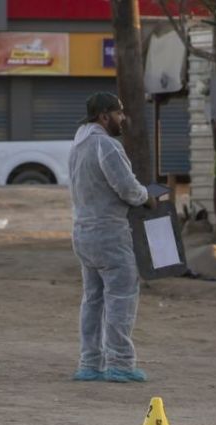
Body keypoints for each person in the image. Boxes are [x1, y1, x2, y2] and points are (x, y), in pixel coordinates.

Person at [68, 92, 156, 383]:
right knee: (121, 298)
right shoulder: (106, 145)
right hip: (110, 234)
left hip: (83, 233)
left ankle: (90, 364)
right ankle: (120, 363)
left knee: (92, 300)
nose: (123, 119)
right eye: (118, 114)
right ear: (103, 116)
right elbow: (128, 189)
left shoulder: (78, 143)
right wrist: (147, 196)